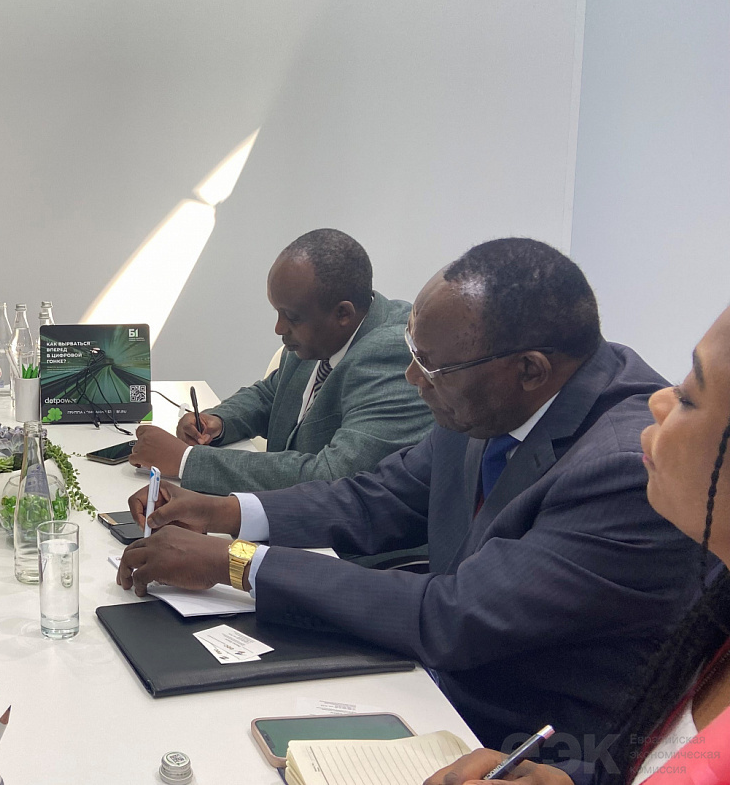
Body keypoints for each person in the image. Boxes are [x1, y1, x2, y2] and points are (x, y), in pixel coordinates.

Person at [115, 238, 701, 750]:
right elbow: (379, 498)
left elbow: (455, 615)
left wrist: (235, 561)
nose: (413, 378)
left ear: (529, 371)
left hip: (510, 736)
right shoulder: (489, 397)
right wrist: (222, 512)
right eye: (414, 353)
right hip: (431, 676)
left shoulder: (625, 468)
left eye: (432, 367)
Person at [425, 304, 730, 785]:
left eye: (689, 398)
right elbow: (668, 762)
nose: (658, 402)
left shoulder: (617, 465)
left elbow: (458, 612)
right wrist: (564, 781)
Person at [129, 228, 432, 493]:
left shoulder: (391, 354)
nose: (278, 328)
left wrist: (186, 461)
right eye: (277, 312)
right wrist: (218, 422)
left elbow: (333, 476)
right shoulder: (321, 335)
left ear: (343, 314)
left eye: (291, 317)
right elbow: (272, 394)